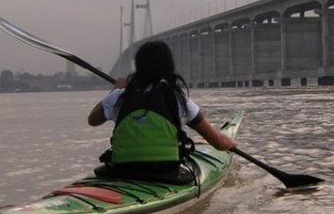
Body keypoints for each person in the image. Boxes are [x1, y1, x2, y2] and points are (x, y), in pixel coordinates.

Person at [88, 40, 236, 180]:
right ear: (169, 67)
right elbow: (218, 144)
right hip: (165, 171)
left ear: (138, 66)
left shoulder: (119, 97)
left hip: (122, 169)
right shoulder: (179, 100)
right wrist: (230, 143)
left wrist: (114, 92)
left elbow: (92, 120)